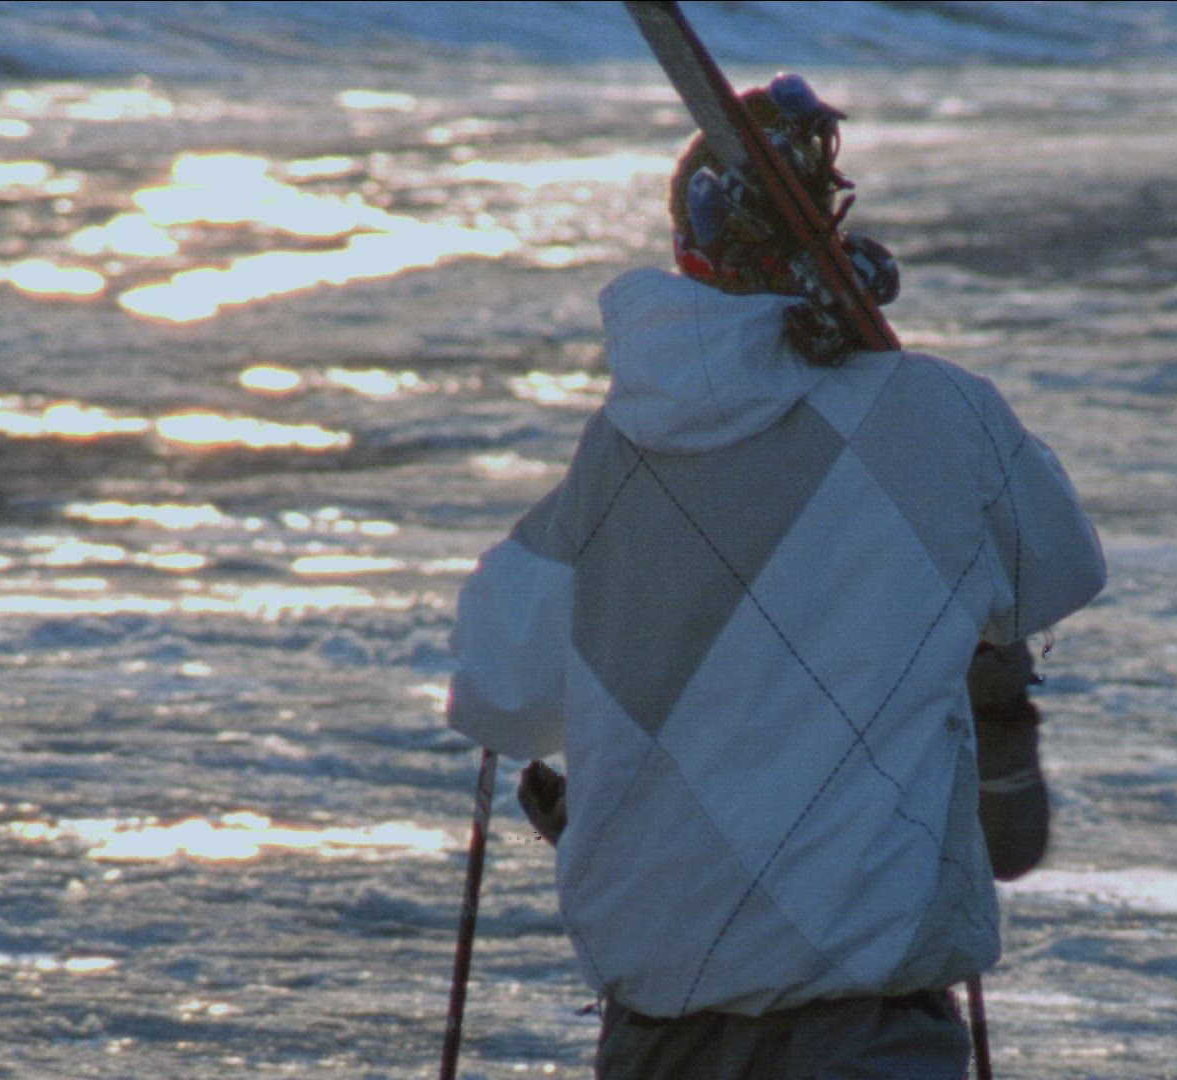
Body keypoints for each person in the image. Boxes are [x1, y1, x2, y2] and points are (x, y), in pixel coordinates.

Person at [444, 75, 1106, 1079]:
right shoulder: (935, 415)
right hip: (868, 1026)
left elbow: (498, 695)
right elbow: (1055, 566)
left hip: (661, 1027)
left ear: (687, 255)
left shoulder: (613, 463)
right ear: (830, 237)